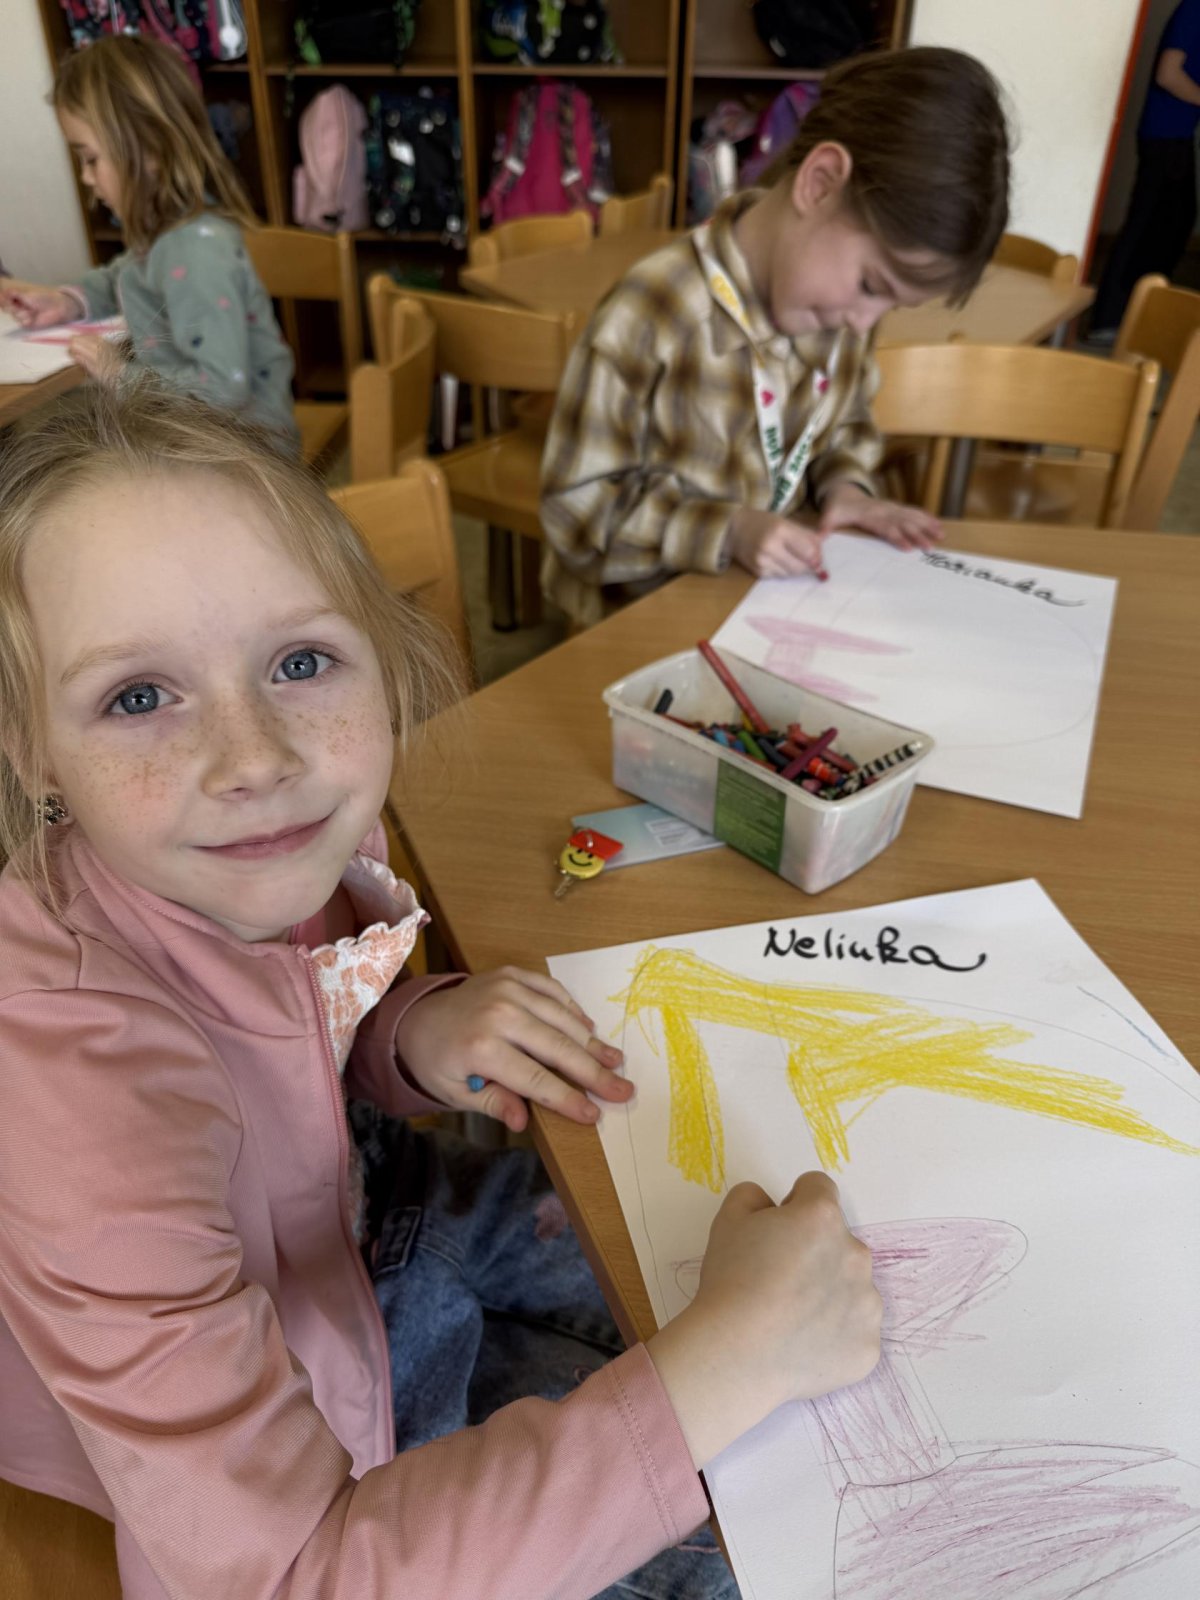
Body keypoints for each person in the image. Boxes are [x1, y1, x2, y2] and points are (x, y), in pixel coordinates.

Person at [0, 378, 881, 1600]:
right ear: (34, 752)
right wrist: (731, 1365)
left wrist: (410, 1031)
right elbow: (293, 1570)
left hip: (373, 1216)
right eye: (138, 697)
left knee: (795, 1277)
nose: (256, 757)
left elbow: (296, 1014)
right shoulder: (76, 1100)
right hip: (308, 1427)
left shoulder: (230, 852)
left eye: (301, 661)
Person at [540, 47, 1011, 627]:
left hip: (764, 611)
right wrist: (729, 530)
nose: (865, 322)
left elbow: (845, 428)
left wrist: (846, 489)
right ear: (820, 183)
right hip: (633, 626)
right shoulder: (651, 314)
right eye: (871, 285)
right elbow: (576, 515)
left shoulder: (837, 313)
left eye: (891, 303)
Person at [0, 35, 297, 448]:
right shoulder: (163, 235)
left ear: (150, 150)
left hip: (246, 453)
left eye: (91, 159)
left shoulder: (194, 250)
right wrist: (67, 302)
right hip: (199, 432)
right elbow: (122, 278)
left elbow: (223, 388)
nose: (86, 177)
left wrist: (120, 375)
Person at [1090, 0, 1200, 340]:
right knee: (1148, 225)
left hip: (1177, 135)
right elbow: (1168, 74)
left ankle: (1140, 314)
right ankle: (1108, 319)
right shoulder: (1194, 8)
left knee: (1173, 225)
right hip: (1164, 134)